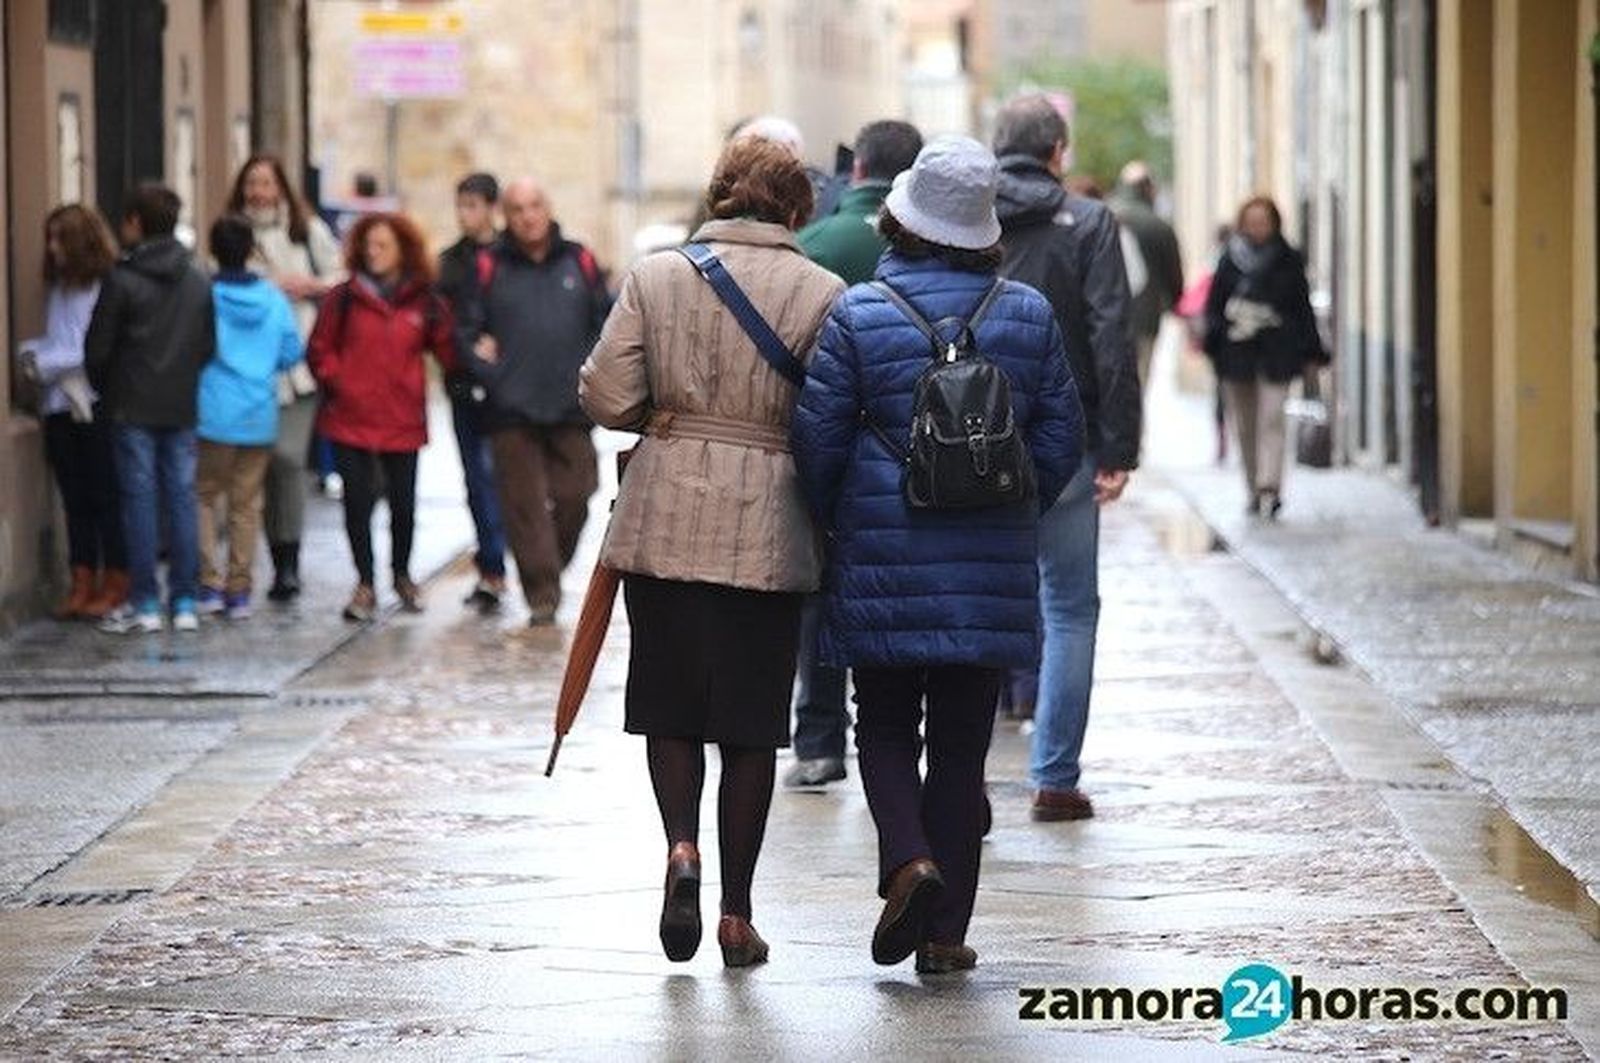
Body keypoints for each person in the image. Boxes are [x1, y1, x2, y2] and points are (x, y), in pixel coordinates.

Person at [791, 136, 1083, 974]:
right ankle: (946, 933)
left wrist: (840, 516)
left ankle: (907, 860)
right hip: (986, 565)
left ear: (902, 217)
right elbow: (1060, 436)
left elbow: (818, 440)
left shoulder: (859, 311)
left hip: (881, 552)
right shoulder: (1025, 313)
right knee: (962, 741)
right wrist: (1008, 500)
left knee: (881, 721)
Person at [579, 136, 844, 967]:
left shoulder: (657, 275)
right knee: (751, 728)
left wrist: (674, 415)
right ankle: (736, 912)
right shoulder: (824, 291)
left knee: (671, 705)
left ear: (719, 196)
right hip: (769, 522)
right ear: (798, 208)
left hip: (664, 514)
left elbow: (606, 393)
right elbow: (833, 417)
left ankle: (680, 850)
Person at [992, 94, 1140, 822]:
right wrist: (1118, 446)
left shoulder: (961, 219)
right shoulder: (1087, 222)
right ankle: (1053, 775)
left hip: (967, 439)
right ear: (1059, 152)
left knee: (971, 598)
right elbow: (1112, 336)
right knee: (1071, 606)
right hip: (1065, 437)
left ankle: (954, 777)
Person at [783, 118, 923, 790]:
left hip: (828, 441)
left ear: (857, 167)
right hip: (924, 452)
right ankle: (902, 744)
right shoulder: (938, 248)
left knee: (819, 595)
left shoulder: (812, 244)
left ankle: (818, 739)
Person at [458, 178, 610, 626]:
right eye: (518, 208)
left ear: (548, 208)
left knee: (577, 494)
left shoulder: (578, 260)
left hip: (571, 403)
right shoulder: (489, 265)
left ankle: (547, 566)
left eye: (535, 205)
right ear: (506, 216)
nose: (528, 216)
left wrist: (596, 373)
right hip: (511, 408)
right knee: (523, 506)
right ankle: (542, 594)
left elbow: (606, 322)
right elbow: (466, 331)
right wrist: (491, 371)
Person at [307, 213, 456, 622]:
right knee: (357, 504)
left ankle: (402, 575)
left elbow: (446, 351)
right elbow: (319, 348)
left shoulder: (424, 301)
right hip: (351, 419)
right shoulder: (344, 298)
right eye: (369, 245)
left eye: (383, 245)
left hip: (402, 419)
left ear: (402, 251)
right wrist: (338, 381)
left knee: (403, 506)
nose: (374, 253)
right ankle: (365, 582)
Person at [84, 184, 215, 634]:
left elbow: (97, 349)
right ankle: (183, 599)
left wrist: (110, 388)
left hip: (131, 405)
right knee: (180, 499)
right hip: (179, 402)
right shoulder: (197, 279)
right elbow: (206, 345)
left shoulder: (122, 280)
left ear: (136, 222)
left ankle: (144, 601)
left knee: (139, 501)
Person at [226, 154, 343, 603]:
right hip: (246, 368)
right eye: (252, 184)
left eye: (267, 184)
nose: (259, 192)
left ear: (281, 188)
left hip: (299, 367)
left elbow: (340, 278)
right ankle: (256, 563)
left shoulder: (306, 231)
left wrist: (307, 285)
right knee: (253, 469)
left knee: (289, 460)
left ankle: (288, 563)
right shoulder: (233, 234)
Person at [195, 216, 305, 621]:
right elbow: (292, 352)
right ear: (250, 251)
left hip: (211, 410)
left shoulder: (205, 294)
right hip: (258, 412)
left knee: (204, 497)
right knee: (246, 504)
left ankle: (207, 582)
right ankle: (239, 589)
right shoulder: (273, 299)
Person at [19, 205, 126, 620]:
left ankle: (115, 578)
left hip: (91, 403)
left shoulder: (101, 287)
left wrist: (39, 361)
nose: (52, 248)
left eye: (59, 238)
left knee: (103, 493)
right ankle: (82, 577)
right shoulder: (60, 288)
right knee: (74, 496)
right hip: (59, 404)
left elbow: (86, 348)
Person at [1203, 196, 1323, 519]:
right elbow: (1214, 305)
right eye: (1252, 221)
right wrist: (1215, 340)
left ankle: (1271, 485)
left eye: (1263, 220)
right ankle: (1253, 487)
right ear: (1243, 223)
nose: (1257, 227)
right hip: (1236, 353)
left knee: (1272, 418)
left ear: (1274, 223)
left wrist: (1311, 349)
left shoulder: (1288, 258)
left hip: (1276, 352)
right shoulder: (1229, 258)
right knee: (1244, 424)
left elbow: (1302, 307)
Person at [436, 173, 508, 614]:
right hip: (464, 381)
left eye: (473, 205)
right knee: (476, 479)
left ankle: (497, 560)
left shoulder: (507, 256)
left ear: (490, 207)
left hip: (505, 383)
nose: (466, 215)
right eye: (460, 205)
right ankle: (492, 567)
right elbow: (444, 322)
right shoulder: (448, 262)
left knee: (501, 477)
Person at [1110, 161, 1185, 387]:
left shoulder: (1102, 214)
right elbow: (1174, 274)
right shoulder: (1158, 226)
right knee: (1139, 383)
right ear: (1149, 188)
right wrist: (1174, 303)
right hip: (1145, 317)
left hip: (1105, 318)